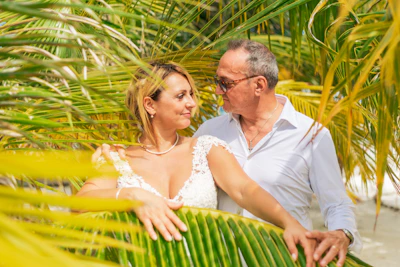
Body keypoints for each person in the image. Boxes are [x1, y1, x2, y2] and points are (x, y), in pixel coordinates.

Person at [97, 40, 362, 267]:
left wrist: (341, 233)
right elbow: (163, 152)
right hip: (218, 258)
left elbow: (334, 202)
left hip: (282, 257)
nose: (216, 91)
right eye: (216, 81)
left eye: (225, 83)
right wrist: (118, 168)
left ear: (258, 85)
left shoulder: (311, 135)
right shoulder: (208, 132)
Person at [77, 62, 315, 266]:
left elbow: (245, 190)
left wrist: (289, 223)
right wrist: (131, 195)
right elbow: (78, 204)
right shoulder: (117, 159)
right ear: (150, 105)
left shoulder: (206, 148)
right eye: (181, 96)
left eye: (190, 94)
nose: (192, 103)